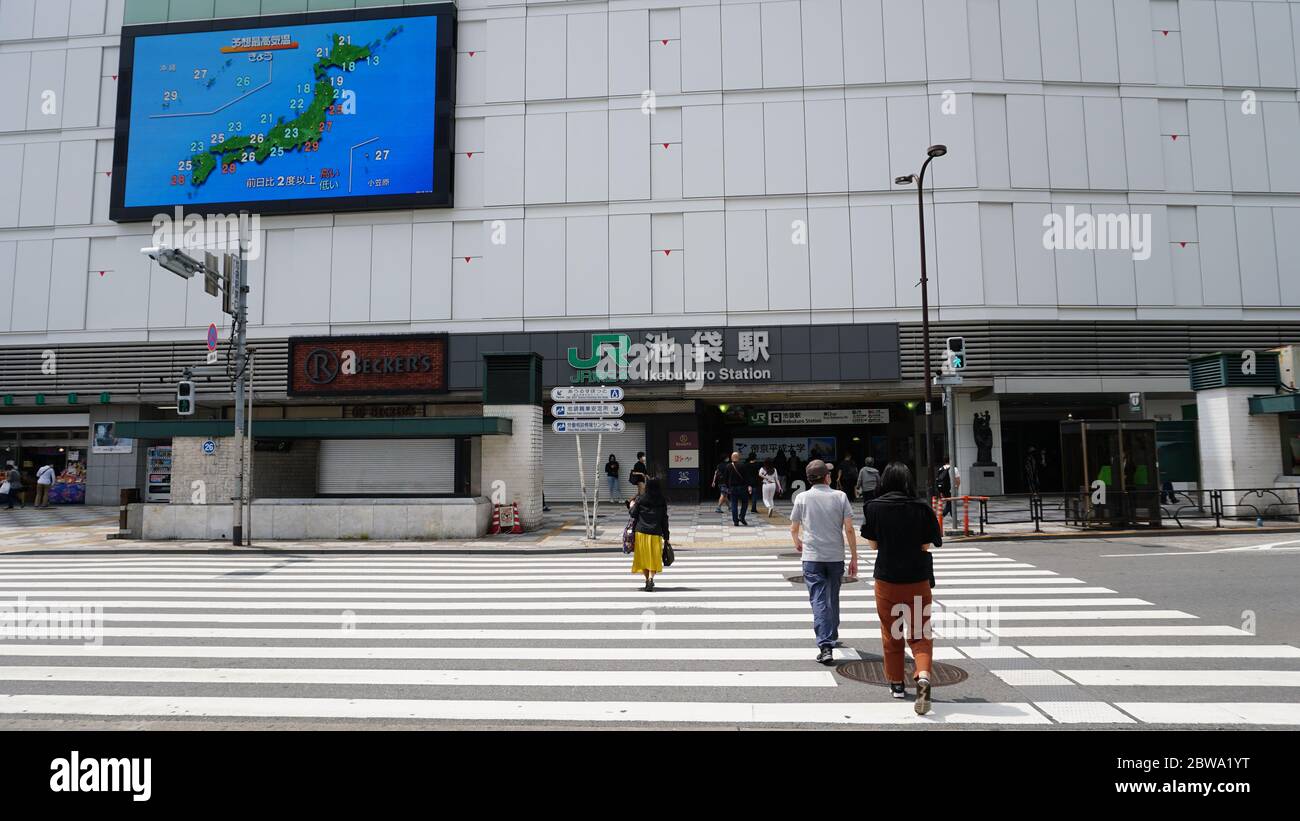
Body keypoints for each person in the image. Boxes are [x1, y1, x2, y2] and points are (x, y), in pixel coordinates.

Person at [862, 462, 942, 714]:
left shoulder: (874, 507)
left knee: (891, 632)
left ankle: (897, 684)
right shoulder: (921, 508)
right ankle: (923, 676)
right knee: (920, 633)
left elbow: (873, 546)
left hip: (887, 580)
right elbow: (926, 546)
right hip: (917, 580)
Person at [789, 460, 858, 665]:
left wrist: (797, 541)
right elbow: (849, 529)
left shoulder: (802, 497)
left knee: (818, 598)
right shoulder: (840, 496)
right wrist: (854, 557)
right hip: (835, 556)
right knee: (832, 596)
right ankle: (832, 635)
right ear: (826, 477)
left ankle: (825, 644)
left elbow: (794, 528)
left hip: (812, 557)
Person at [628, 477, 670, 592]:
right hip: (656, 533)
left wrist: (631, 504)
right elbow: (664, 519)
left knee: (643, 558)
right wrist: (667, 536)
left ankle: (648, 580)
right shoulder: (662, 500)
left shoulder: (641, 499)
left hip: (641, 533)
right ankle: (651, 578)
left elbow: (633, 514)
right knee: (654, 558)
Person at [725, 451, 749, 526]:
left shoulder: (728, 466)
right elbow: (746, 477)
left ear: (732, 458)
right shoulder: (743, 466)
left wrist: (728, 487)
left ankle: (735, 521)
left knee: (734, 504)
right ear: (739, 458)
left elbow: (725, 478)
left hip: (732, 488)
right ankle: (742, 516)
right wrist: (748, 485)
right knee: (745, 502)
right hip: (742, 487)